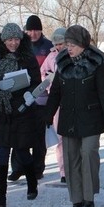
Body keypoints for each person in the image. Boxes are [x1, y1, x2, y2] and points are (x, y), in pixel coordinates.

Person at [45, 25, 104, 207]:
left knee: (89, 153)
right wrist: (48, 114)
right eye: (67, 44)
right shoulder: (61, 62)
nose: (69, 48)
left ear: (83, 45)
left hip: (92, 117)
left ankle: (89, 195)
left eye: (73, 44)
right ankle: (76, 197)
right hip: (69, 117)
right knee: (71, 157)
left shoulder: (96, 62)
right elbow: (55, 92)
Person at [0, 23, 42, 207]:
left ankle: (32, 183)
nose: (13, 43)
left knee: (22, 152)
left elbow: (37, 82)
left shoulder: (28, 57)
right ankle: (0, 199)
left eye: (16, 39)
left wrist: (29, 93)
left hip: (21, 111)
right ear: (3, 40)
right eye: (9, 40)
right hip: (0, 112)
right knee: (1, 154)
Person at [8, 14, 53, 181]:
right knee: (19, 133)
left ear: (41, 31)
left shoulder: (48, 47)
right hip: (22, 96)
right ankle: (17, 168)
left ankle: (37, 168)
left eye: (36, 30)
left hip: (42, 97)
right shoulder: (20, 47)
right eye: (29, 30)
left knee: (39, 135)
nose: (33, 33)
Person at [39, 27, 66, 182]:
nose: (59, 46)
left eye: (61, 43)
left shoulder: (73, 54)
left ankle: (77, 168)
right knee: (60, 138)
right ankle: (63, 171)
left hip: (71, 100)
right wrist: (49, 83)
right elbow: (43, 73)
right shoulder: (51, 56)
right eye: (57, 44)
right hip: (56, 101)